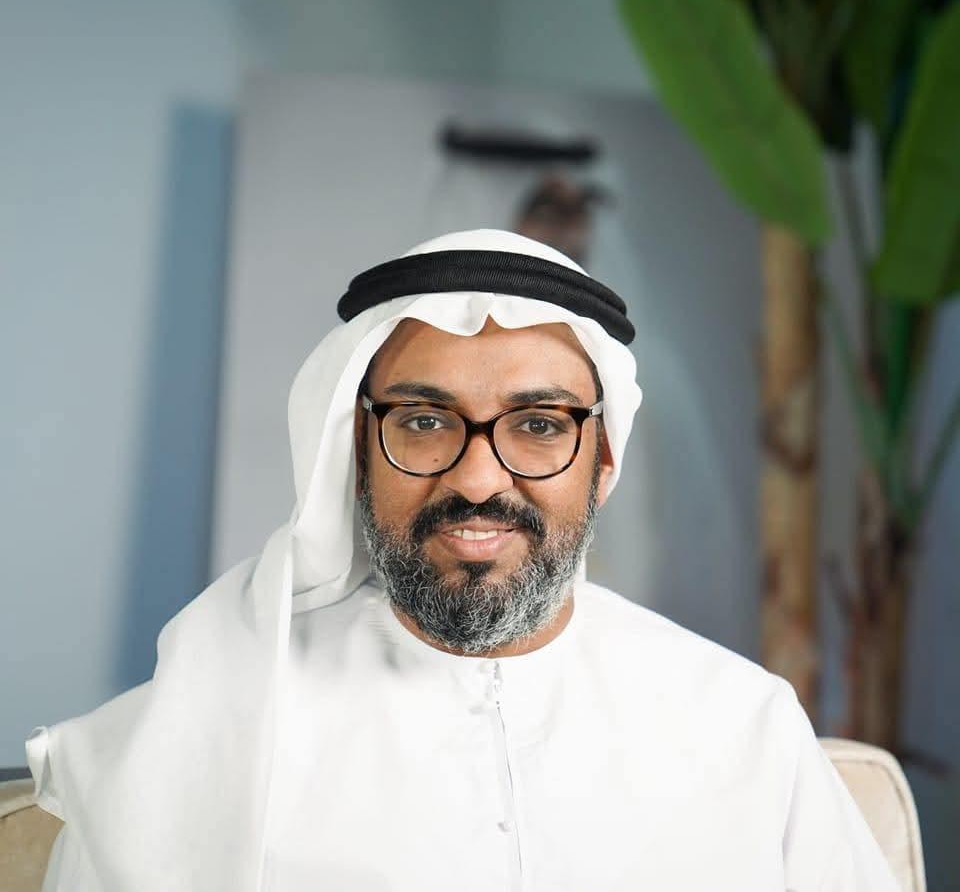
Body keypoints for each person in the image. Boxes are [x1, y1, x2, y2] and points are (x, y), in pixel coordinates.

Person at [29, 229, 897, 890]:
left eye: (540, 424)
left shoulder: (743, 726)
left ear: (602, 460)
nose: (478, 478)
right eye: (423, 420)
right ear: (356, 450)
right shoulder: (196, 735)